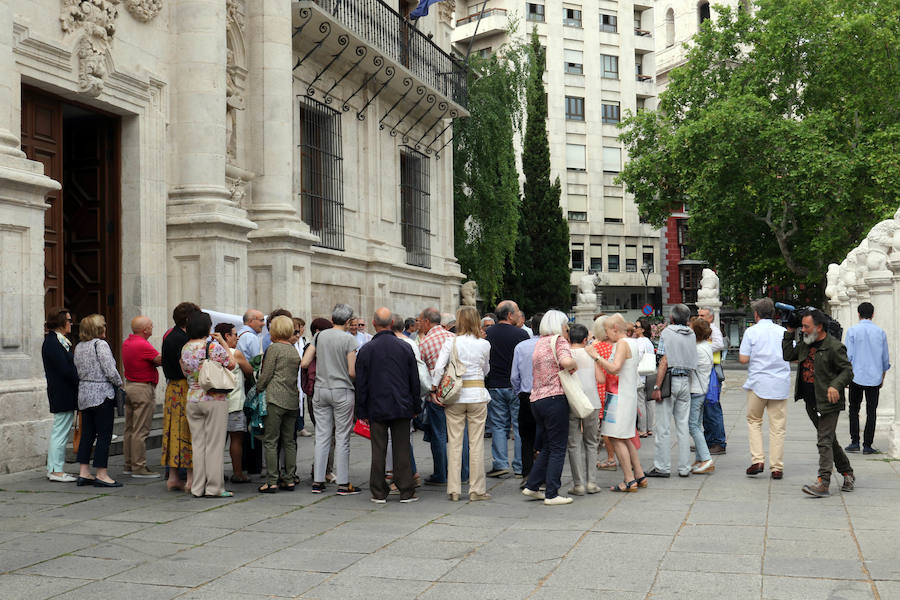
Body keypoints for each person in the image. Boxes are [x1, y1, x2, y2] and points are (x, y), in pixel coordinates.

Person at [522, 310, 599, 505]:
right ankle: (552, 493)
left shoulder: (540, 342)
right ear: (559, 325)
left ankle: (532, 485)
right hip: (555, 398)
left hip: (537, 398)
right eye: (565, 325)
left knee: (548, 445)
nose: (567, 329)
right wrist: (573, 364)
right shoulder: (559, 341)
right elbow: (566, 361)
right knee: (558, 448)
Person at [782, 310, 855, 497]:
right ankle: (847, 472)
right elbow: (788, 355)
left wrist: (835, 385)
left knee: (824, 441)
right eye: (802, 326)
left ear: (819, 327)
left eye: (806, 326)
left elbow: (847, 371)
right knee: (829, 440)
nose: (803, 329)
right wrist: (789, 331)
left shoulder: (834, 347)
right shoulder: (806, 343)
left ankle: (823, 482)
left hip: (828, 402)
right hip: (811, 401)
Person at [356, 308, 422, 503]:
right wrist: (416, 406)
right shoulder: (405, 347)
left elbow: (361, 383)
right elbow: (414, 380)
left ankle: (378, 491)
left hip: (376, 405)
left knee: (378, 449)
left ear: (374, 324)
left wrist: (361, 410)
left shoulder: (366, 349)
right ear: (392, 323)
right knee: (402, 447)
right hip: (402, 404)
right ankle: (406, 490)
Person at [432, 306, 492, 502]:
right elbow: (486, 370)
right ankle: (477, 490)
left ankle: (454, 489)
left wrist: (434, 389)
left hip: (455, 396)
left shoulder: (451, 342)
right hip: (477, 395)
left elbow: (439, 368)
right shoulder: (484, 344)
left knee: (455, 443)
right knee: (476, 443)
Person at [301, 304, 360, 495]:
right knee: (342, 437)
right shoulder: (349, 339)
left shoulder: (319, 336)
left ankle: (318, 481)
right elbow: (352, 371)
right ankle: (343, 483)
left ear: (332, 318)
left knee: (322, 436)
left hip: (320, 389)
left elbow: (305, 362)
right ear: (348, 321)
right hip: (342, 390)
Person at [180, 310, 235, 498]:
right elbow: (232, 363)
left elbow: (184, 370)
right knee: (214, 445)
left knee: (198, 445)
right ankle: (214, 487)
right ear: (207, 327)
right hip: (213, 398)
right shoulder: (212, 346)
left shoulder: (185, 347)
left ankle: (197, 487)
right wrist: (224, 344)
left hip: (193, 398)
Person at [739, 298, 791, 479]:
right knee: (778, 427)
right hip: (779, 383)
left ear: (756, 314)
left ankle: (758, 460)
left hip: (758, 383)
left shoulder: (751, 332)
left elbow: (743, 359)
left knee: (754, 421)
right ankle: (777, 467)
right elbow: (792, 355)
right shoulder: (783, 332)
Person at [595, 314, 647, 492]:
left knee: (616, 437)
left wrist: (596, 357)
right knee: (625, 436)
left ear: (615, 329)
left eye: (607, 330)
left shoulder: (622, 344)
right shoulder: (631, 342)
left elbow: (615, 368)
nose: (606, 334)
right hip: (625, 394)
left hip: (619, 396)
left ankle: (629, 479)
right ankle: (638, 474)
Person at [417, 307, 468, 486]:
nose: (419, 325)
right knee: (460, 433)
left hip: (437, 394)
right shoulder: (454, 338)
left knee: (438, 434)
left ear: (427, 322)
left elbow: (422, 372)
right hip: (458, 392)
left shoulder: (424, 343)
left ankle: (441, 473)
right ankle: (463, 473)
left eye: (420, 321)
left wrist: (430, 391)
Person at [73, 314, 124, 487]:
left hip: (84, 394)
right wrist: (119, 383)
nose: (105, 328)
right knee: (104, 435)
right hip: (102, 394)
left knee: (87, 434)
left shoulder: (79, 346)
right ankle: (102, 474)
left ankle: (84, 472)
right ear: (98, 328)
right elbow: (110, 369)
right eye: (103, 325)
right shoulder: (100, 344)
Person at [648, 304, 697, 478]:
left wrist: (657, 387)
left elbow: (664, 361)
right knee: (683, 427)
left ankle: (662, 466)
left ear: (672, 318)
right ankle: (684, 467)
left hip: (669, 381)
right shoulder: (691, 334)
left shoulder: (667, 333)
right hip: (686, 381)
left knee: (663, 427)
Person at [256, 316, 302, 493]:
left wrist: (258, 388)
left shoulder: (274, 348)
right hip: (292, 399)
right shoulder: (293, 350)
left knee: (271, 441)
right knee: (289, 441)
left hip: (275, 398)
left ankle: (272, 480)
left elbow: (266, 374)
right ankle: (289, 478)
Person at [485, 300, 529, 478]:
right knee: (518, 426)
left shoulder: (488, 333)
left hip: (495, 384)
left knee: (498, 425)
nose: (519, 315)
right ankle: (520, 465)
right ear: (510, 315)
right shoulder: (521, 334)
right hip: (516, 386)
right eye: (517, 312)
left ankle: (500, 463)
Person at [161, 302, 199, 491]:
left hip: (172, 388)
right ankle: (190, 478)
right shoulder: (184, 339)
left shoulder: (170, 335)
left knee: (172, 431)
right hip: (184, 387)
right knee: (187, 430)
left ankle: (173, 477)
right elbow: (186, 367)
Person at [844, 302, 890, 454]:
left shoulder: (852, 331)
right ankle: (868, 445)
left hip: (855, 376)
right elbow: (885, 359)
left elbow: (848, 356)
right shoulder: (880, 332)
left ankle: (854, 441)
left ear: (858, 314)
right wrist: (882, 376)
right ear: (873, 314)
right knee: (871, 411)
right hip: (874, 376)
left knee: (853, 409)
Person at [121, 315, 162, 478]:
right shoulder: (142, 344)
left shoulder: (127, 342)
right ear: (145, 330)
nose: (152, 328)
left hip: (130, 386)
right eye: (151, 325)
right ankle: (139, 467)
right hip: (142, 389)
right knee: (140, 430)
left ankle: (129, 464)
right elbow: (159, 360)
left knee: (130, 429)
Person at [42, 308, 78, 483]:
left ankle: (54, 468)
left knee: (60, 432)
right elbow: (65, 369)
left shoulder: (58, 340)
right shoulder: (52, 342)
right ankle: (56, 471)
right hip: (61, 393)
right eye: (69, 320)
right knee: (60, 433)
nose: (71, 323)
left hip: (64, 392)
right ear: (61, 322)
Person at [566, 323, 603, 495]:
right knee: (591, 442)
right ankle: (591, 483)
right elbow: (601, 379)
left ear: (569, 338)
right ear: (585, 339)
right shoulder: (590, 353)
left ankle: (578, 484)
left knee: (573, 444)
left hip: (572, 402)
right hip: (592, 402)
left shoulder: (565, 354)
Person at [214, 322, 253, 483]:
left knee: (217, 441)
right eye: (235, 334)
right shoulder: (235, 353)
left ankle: (216, 473)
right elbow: (249, 371)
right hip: (235, 402)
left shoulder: (212, 352)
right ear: (227, 336)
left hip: (216, 401)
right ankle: (238, 473)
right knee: (236, 440)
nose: (237, 338)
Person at [302, 317, 336, 482]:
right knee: (329, 434)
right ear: (317, 332)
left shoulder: (309, 347)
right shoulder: (319, 348)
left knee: (323, 433)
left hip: (313, 393)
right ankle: (324, 471)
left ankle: (320, 469)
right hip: (324, 391)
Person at [511, 312, 543, 486]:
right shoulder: (551, 345)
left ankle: (528, 474)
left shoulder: (521, 347)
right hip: (546, 395)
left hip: (526, 395)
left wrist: (519, 392)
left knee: (526, 437)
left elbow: (514, 376)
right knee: (546, 436)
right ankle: (542, 475)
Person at [697, 307, 726, 454]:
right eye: (698, 315)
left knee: (712, 407)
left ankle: (719, 442)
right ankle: (708, 441)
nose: (699, 317)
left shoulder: (714, 330)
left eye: (702, 315)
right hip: (705, 371)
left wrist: (703, 347)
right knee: (706, 409)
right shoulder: (702, 330)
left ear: (710, 317)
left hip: (712, 371)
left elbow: (719, 344)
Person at [688, 319, 715, 475]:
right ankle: (699, 459)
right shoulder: (706, 346)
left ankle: (706, 459)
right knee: (697, 424)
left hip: (696, 390)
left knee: (692, 425)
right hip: (702, 389)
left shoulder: (697, 349)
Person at [592, 317, 618, 471]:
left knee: (604, 428)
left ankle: (610, 458)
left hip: (600, 389)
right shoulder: (618, 346)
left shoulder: (595, 348)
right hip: (616, 389)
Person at [635, 318, 656, 438]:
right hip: (650, 374)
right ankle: (649, 428)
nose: (634, 329)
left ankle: (642, 429)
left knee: (641, 403)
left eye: (636, 327)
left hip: (641, 375)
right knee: (649, 403)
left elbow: (638, 357)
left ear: (642, 329)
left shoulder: (639, 342)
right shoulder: (649, 342)